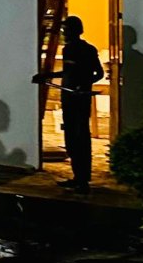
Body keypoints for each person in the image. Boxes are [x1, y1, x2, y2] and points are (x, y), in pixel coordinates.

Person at [35, 15, 105, 190]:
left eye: (67, 30)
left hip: (80, 99)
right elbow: (67, 73)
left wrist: (84, 84)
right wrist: (46, 76)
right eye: (64, 30)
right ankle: (77, 176)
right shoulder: (67, 50)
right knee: (71, 137)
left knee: (81, 136)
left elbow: (99, 73)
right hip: (68, 97)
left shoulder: (88, 50)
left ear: (77, 31)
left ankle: (83, 179)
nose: (64, 33)